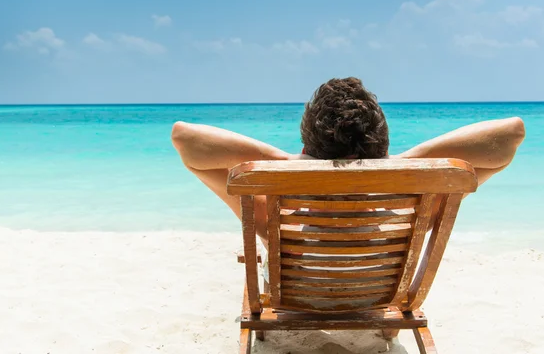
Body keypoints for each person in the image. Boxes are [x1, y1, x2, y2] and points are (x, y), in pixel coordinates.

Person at [171, 77, 525, 241]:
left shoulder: (275, 216)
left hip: (295, 299)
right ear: (382, 142)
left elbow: (184, 138)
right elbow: (512, 132)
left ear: (307, 144)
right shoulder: (409, 213)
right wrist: (403, 160)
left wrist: (286, 162)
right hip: (380, 296)